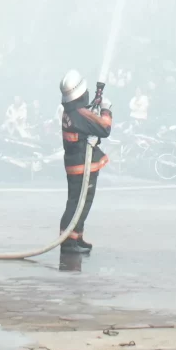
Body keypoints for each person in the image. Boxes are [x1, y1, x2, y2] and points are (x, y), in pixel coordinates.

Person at [56, 69, 111, 255]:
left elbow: (86, 124)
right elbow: (105, 128)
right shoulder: (80, 113)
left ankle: (75, 237)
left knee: (75, 202)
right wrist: (106, 109)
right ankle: (69, 244)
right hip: (82, 167)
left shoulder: (71, 112)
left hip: (75, 165)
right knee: (80, 204)